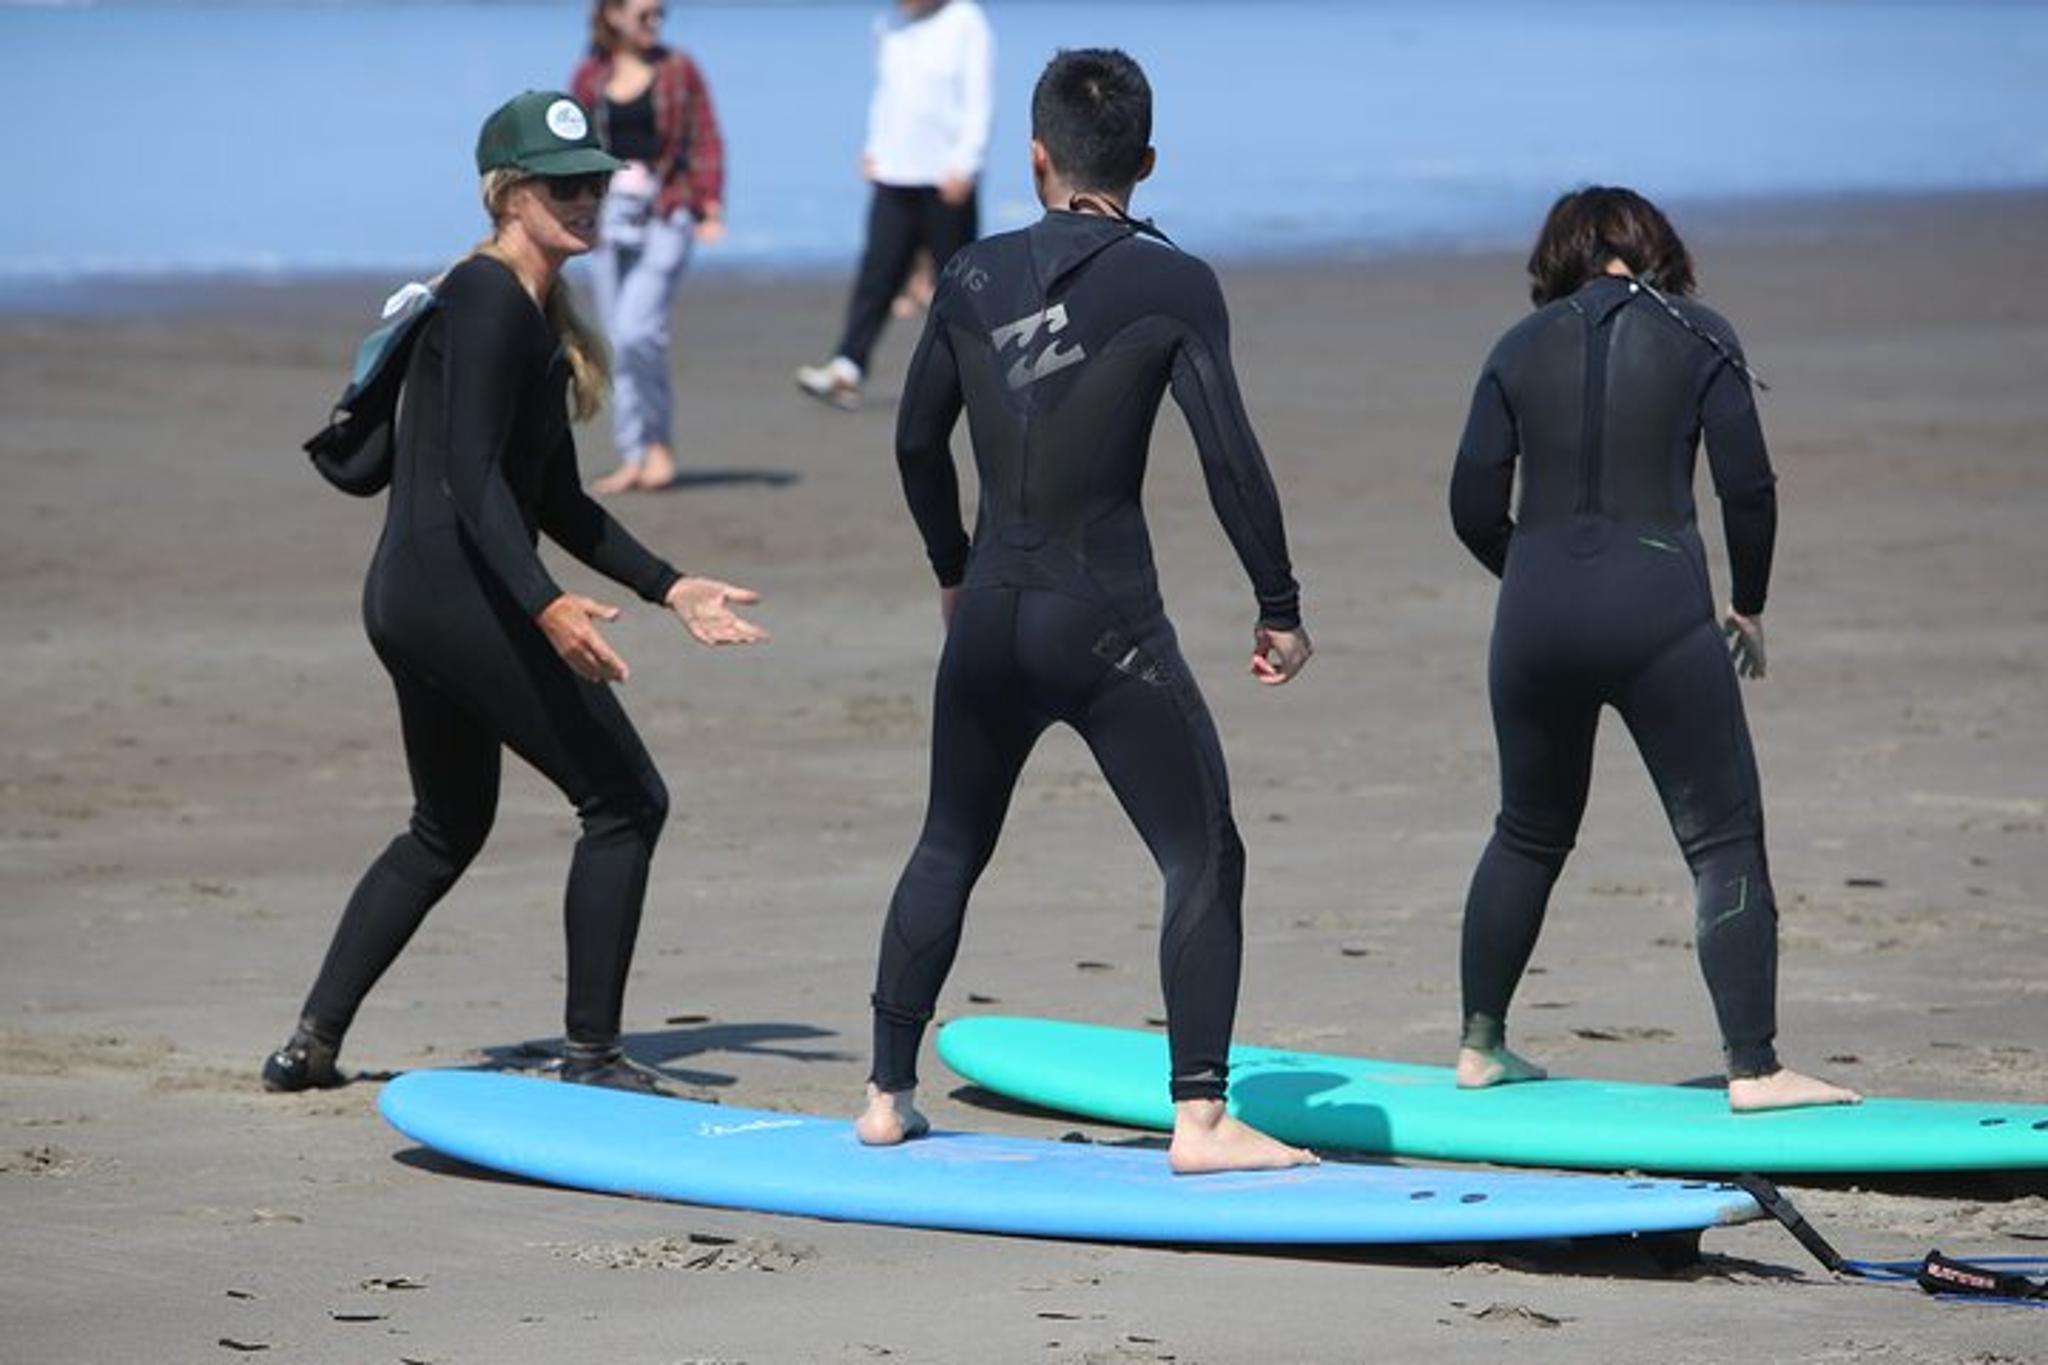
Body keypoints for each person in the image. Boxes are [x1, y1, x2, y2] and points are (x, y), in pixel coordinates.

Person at [856, 50, 1318, 1174]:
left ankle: (884, 1095)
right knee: (1201, 851)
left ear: (1034, 157)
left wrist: (952, 568)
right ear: (1146, 162)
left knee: (948, 841)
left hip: (988, 615)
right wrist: (1277, 604)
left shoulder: (969, 274)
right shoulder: (1172, 283)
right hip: (1103, 623)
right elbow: (1228, 456)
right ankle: (1200, 1117)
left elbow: (915, 441)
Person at [262, 91, 766, 1095]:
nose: (584, 201)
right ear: (507, 194)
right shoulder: (489, 298)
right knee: (624, 800)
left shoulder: (526, 309)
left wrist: (671, 588)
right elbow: (472, 478)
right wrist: (544, 604)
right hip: (459, 597)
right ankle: (592, 1057)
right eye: (560, 185)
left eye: (593, 185)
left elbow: (557, 501)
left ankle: (312, 1043)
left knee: (447, 825)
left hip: (415, 598)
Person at [1447, 186, 1860, 1113]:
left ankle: (1480, 1044)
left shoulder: (1515, 347)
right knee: (1722, 837)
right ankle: (1754, 1067)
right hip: (1660, 612)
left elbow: (1471, 505)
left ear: (1557, 256)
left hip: (1534, 619)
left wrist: (1542, 576)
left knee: (1527, 830)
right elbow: (1747, 487)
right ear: (1656, 248)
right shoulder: (1701, 334)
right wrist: (1749, 603)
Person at [794, 0, 993, 411]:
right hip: (894, 172)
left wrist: (966, 163)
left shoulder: (966, 22)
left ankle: (983, 374)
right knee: (878, 274)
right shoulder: (887, 24)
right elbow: (887, 93)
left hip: (945, 178)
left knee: (960, 283)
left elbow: (979, 101)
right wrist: (874, 147)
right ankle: (847, 367)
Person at [570, 0, 726, 494]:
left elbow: (706, 137)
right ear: (613, 15)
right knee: (618, 339)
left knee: (639, 331)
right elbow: (572, 150)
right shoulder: (590, 77)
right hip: (608, 220)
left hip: (668, 212)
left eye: (661, 14)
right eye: (645, 14)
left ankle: (658, 445)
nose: (655, 22)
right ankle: (634, 454)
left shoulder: (679, 70)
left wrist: (710, 204)